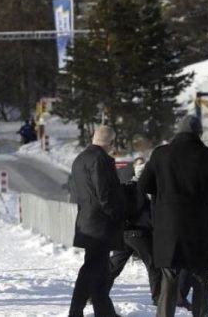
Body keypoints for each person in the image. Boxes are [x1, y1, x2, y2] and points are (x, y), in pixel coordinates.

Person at [138, 115, 208, 317]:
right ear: (199, 133)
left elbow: (144, 184)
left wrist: (163, 195)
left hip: (168, 225)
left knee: (169, 276)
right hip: (198, 224)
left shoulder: (161, 154)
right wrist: (204, 194)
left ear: (177, 131)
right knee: (199, 276)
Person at [67, 125, 124, 317]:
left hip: (87, 221)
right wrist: (117, 215)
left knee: (99, 271)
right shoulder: (101, 160)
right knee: (92, 270)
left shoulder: (80, 158)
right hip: (101, 224)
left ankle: (104, 312)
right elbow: (104, 194)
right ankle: (75, 312)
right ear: (111, 142)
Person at [105, 154, 160, 306]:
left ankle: (95, 293)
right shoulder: (145, 190)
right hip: (140, 234)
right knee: (154, 265)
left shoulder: (126, 187)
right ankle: (158, 299)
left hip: (124, 233)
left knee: (113, 267)